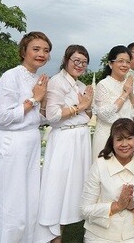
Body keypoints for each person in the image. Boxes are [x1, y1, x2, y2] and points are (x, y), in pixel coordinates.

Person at [0, 31, 51, 243]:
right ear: (24, 51)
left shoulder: (38, 79)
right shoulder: (11, 76)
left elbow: (36, 118)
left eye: (46, 50)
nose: (41, 54)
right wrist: (34, 99)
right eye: (36, 49)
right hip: (11, 144)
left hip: (30, 143)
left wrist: (45, 105)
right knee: (10, 203)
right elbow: (2, 117)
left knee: (29, 200)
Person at [36, 45, 94, 243]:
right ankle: (53, 236)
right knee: (57, 188)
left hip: (81, 140)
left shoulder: (80, 86)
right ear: (66, 59)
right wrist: (81, 107)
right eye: (76, 60)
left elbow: (88, 114)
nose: (79, 65)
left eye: (84, 62)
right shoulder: (57, 82)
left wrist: (87, 106)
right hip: (64, 141)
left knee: (77, 188)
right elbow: (52, 116)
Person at [80, 118, 134, 243]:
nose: (124, 144)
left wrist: (133, 206)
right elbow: (85, 209)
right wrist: (117, 206)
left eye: (129, 138)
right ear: (112, 142)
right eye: (119, 139)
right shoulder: (100, 165)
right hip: (100, 236)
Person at [93, 45, 134, 160]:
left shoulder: (131, 83)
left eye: (128, 62)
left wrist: (131, 93)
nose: (125, 65)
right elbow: (104, 114)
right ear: (110, 64)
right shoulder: (103, 84)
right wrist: (124, 94)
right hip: (107, 137)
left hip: (127, 141)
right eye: (120, 61)